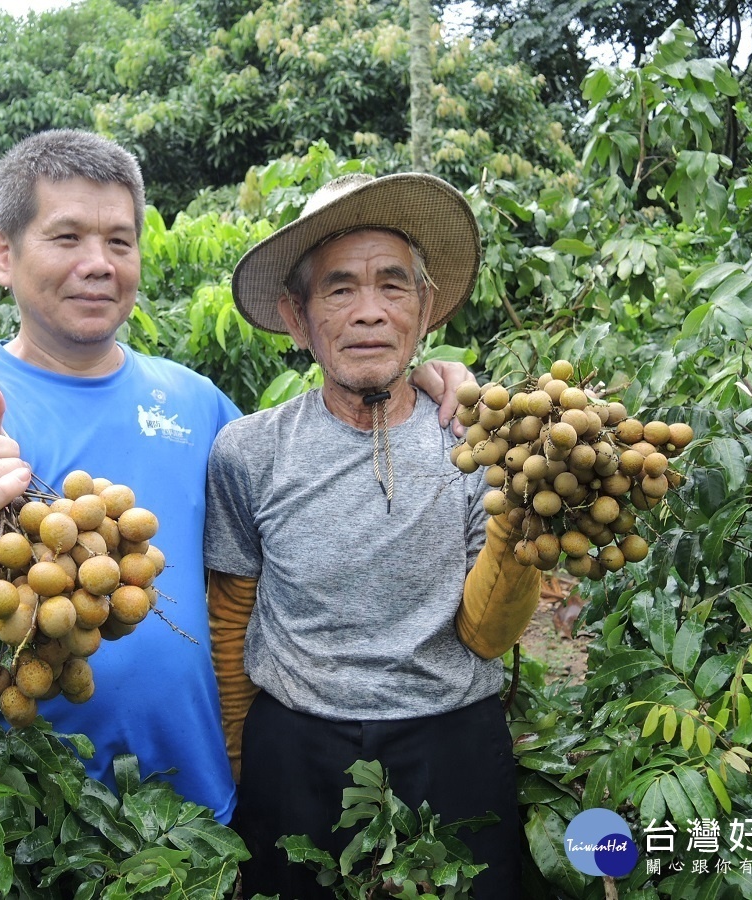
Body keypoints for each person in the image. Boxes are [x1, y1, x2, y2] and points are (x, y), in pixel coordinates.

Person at [0, 130, 471, 824]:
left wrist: (423, 385)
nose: (98, 264)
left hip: (200, 801)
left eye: (119, 241)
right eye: (67, 237)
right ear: (2, 254)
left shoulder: (197, 401)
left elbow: (306, 477)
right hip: (31, 813)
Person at [204, 172, 540, 896]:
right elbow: (231, 615)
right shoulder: (248, 451)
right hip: (296, 749)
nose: (369, 313)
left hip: (451, 742)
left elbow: (485, 635)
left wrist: (525, 522)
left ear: (425, 311)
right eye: (338, 289)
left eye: (393, 286)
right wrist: (238, 752)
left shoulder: (480, 440)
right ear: (297, 318)